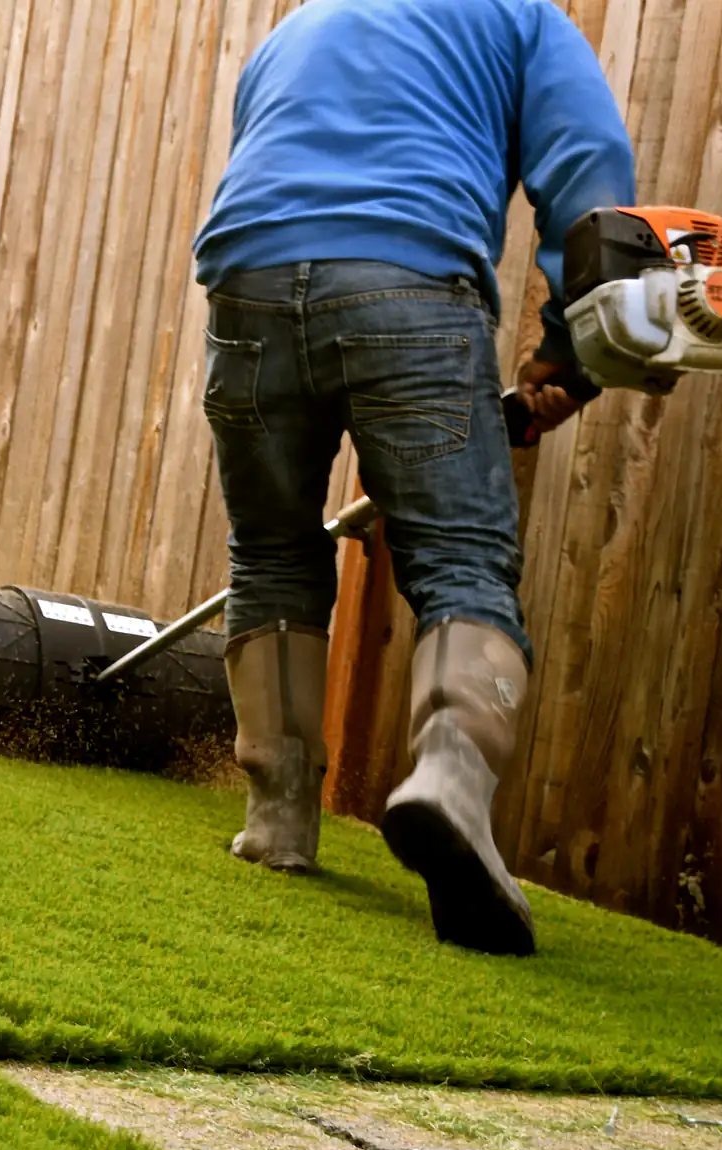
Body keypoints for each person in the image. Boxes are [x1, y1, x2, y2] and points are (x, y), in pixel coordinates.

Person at [193, 0, 635, 955]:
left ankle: (276, 821)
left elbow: (268, 161)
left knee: (270, 550)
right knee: (463, 563)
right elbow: (591, 193)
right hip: (408, 279)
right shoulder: (522, 20)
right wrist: (570, 354)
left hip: (244, 286)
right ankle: (450, 782)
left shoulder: (297, 25)